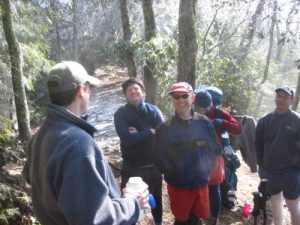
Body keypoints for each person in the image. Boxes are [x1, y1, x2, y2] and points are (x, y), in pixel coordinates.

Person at [22, 61, 149, 225]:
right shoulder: (78, 146)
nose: (91, 94)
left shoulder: (40, 136)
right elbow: (95, 220)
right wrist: (133, 203)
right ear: (82, 90)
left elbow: (31, 178)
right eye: (90, 88)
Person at [153, 82, 220, 225]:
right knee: (181, 219)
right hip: (178, 185)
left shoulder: (205, 123)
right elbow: (158, 157)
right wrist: (173, 172)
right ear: (173, 100)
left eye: (184, 96)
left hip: (200, 183)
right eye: (176, 97)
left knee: (198, 218)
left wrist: (207, 170)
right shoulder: (165, 128)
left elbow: (213, 150)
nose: (180, 100)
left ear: (193, 98)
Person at [114, 77, 164, 225]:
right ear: (125, 95)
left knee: (157, 199)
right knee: (128, 201)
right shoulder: (120, 114)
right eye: (129, 90)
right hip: (131, 167)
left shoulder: (153, 110)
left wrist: (138, 133)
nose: (133, 91)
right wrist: (150, 132)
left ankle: (159, 222)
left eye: (136, 89)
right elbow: (126, 138)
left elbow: (163, 135)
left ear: (143, 93)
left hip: (152, 166)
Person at [194, 89, 241, 225]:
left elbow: (238, 128)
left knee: (214, 188)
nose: (201, 111)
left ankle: (214, 219)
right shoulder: (190, 113)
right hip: (196, 158)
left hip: (214, 157)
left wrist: (222, 122)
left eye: (205, 108)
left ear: (211, 105)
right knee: (197, 188)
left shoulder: (219, 113)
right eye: (198, 107)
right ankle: (198, 217)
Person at [255, 86, 300, 225]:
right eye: (278, 96)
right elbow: (258, 146)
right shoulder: (264, 121)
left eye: (285, 97)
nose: (281, 99)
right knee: (275, 203)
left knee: (293, 207)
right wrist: (261, 167)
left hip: (290, 172)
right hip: (269, 172)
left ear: (291, 101)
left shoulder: (297, 121)